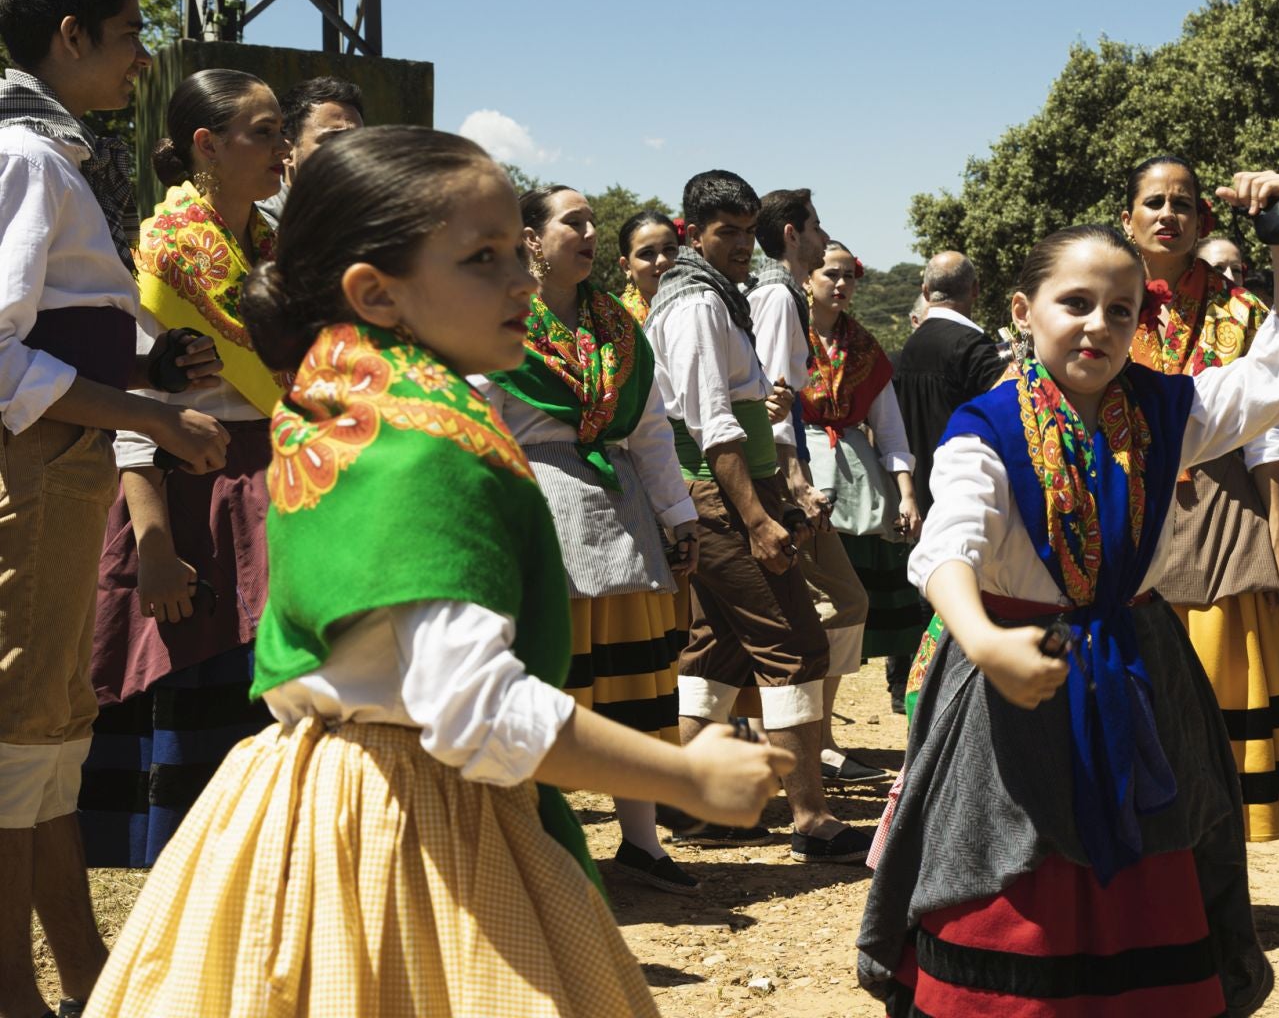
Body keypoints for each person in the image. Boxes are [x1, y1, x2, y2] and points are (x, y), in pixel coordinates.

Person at [85, 126, 793, 1015]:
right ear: (376, 293)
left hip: (314, 797)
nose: (523, 281)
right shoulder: (423, 444)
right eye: (483, 258)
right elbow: (472, 706)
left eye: (517, 253)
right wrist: (683, 776)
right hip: (412, 816)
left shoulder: (343, 401)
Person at [859, 169, 1279, 1018]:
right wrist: (986, 641)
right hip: (1011, 683)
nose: (1098, 326)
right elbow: (947, 547)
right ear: (1022, 311)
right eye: (1075, 303)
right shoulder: (986, 429)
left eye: (1121, 311)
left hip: (1139, 674)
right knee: (1016, 878)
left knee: (1153, 876)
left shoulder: (1166, 411)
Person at [0, 0, 231, 1018]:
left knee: (48, 735)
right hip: (36, 470)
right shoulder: (26, 157)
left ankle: (84, 977)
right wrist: (146, 412)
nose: (143, 59)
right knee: (17, 737)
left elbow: (65, 326)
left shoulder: (57, 154)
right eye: (132, 34)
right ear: (70, 35)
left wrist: (148, 369)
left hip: (66, 464)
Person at [81, 71, 290, 870]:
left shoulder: (273, 249)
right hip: (196, 502)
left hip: (277, 486)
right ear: (207, 145)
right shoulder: (160, 254)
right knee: (203, 708)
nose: (281, 148)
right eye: (264, 132)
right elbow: (134, 413)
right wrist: (156, 547)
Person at [480, 184, 704, 894]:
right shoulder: (500, 317)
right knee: (552, 676)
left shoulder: (618, 327)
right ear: (531, 238)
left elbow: (650, 428)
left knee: (636, 679)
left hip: (621, 510)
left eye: (591, 222)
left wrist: (678, 513)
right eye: (571, 221)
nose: (588, 231)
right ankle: (536, 846)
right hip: (542, 506)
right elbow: (479, 419)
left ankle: (641, 843)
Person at [649, 170, 868, 861]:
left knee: (715, 648)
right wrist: (757, 517)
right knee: (794, 645)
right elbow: (711, 425)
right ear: (694, 234)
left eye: (749, 231)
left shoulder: (715, 295)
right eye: (728, 233)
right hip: (722, 496)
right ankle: (811, 819)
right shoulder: (696, 303)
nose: (743, 244)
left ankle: (693, 806)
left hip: (726, 493)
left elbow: (730, 406)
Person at [1121, 154, 1279, 843]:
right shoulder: (1102, 299)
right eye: (1154, 202)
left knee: (1215, 701)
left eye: (1182, 203)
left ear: (1202, 219)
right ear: (1127, 218)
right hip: (1119, 520)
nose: (1168, 214)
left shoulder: (1239, 310)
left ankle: (1213, 857)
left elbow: (1270, 426)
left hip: (1217, 523)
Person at [750, 188, 883, 785]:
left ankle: (799, 741)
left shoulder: (770, 292)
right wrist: (798, 483)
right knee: (839, 602)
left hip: (771, 471)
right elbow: (776, 400)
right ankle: (811, 744)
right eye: (817, 226)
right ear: (791, 233)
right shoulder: (778, 296)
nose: (824, 236)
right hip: (779, 477)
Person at [800, 241, 924, 731]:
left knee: (845, 614)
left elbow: (889, 429)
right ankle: (802, 730)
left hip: (858, 487)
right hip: (801, 473)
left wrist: (907, 493)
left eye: (848, 275)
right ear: (806, 277)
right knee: (809, 609)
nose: (841, 284)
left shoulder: (865, 349)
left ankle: (822, 732)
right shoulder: (783, 333)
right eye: (830, 274)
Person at [885, 251, 1003, 710]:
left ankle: (913, 691)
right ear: (975, 290)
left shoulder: (908, 349)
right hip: (965, 490)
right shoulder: (975, 349)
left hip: (914, 486)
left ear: (924, 290)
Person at [256, 75, 363, 228]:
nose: (352, 153)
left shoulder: (369, 211)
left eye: (359, 141)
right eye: (334, 140)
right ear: (288, 151)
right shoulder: (257, 220)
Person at [616, 208, 681, 322]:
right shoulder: (615, 319)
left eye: (669, 249)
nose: (662, 260)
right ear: (626, 266)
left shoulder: (701, 305)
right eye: (647, 253)